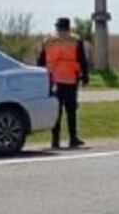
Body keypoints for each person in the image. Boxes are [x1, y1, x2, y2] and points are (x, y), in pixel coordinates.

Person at [38, 17, 89, 149]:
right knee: (70, 110)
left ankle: (56, 140)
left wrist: (41, 77)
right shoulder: (75, 41)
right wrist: (85, 77)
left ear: (57, 27)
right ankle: (72, 138)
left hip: (54, 80)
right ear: (68, 28)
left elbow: (41, 61)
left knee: (58, 110)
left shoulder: (48, 41)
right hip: (69, 79)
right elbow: (82, 60)